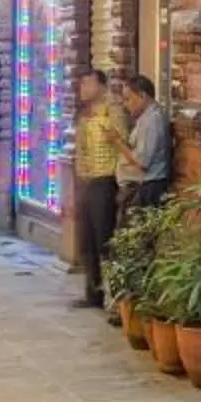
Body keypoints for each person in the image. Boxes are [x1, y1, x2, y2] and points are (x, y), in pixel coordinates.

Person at [71, 67, 127, 308]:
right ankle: (92, 292)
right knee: (87, 240)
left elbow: (124, 145)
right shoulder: (83, 113)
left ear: (102, 86)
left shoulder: (113, 111)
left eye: (88, 83)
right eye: (81, 84)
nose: (83, 88)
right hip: (86, 181)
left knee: (105, 238)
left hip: (105, 181)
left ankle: (114, 296)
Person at [119, 73, 172, 217]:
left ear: (142, 96)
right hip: (145, 186)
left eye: (128, 99)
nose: (125, 104)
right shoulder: (146, 117)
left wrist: (118, 143)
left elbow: (142, 161)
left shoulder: (152, 120)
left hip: (150, 188)